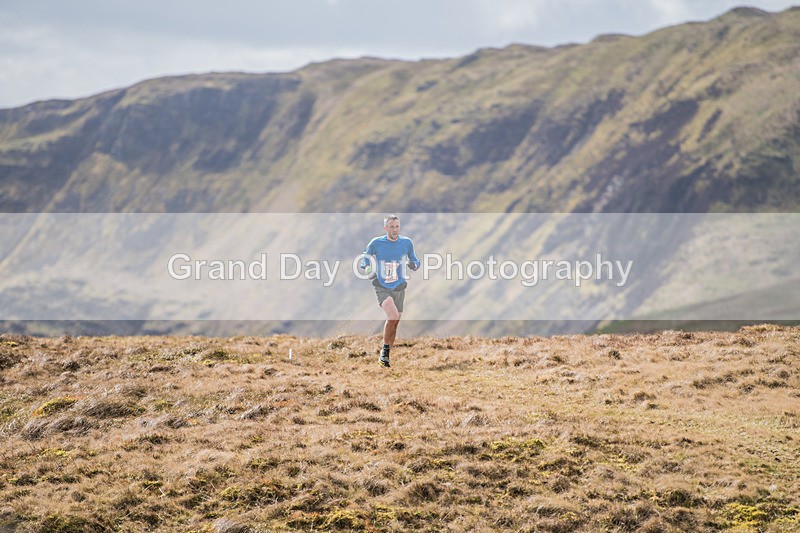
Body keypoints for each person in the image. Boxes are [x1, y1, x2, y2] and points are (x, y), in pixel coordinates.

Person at [360, 214, 421, 367]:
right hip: (381, 286)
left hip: (399, 287)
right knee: (392, 315)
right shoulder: (376, 243)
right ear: (385, 228)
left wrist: (414, 264)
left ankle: (386, 358)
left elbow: (415, 259)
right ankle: (384, 351)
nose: (395, 230)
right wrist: (368, 269)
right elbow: (364, 260)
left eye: (397, 226)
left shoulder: (406, 243)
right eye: (392, 227)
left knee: (395, 323)